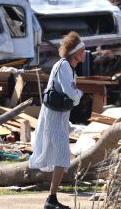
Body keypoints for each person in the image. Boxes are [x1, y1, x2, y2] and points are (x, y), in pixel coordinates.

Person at [29, 31, 85, 209]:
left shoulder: (70, 68)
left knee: (60, 156)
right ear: (75, 52)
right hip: (54, 117)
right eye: (82, 50)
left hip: (60, 116)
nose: (84, 53)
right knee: (61, 157)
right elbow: (72, 94)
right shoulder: (65, 67)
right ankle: (51, 199)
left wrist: (75, 94)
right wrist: (79, 94)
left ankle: (51, 198)